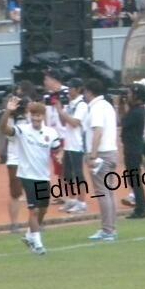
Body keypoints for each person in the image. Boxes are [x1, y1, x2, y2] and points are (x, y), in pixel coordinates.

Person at [0, 100, 61, 255]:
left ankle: (29, 236)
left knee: (43, 210)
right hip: (27, 175)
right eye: (33, 115)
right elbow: (3, 129)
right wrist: (8, 111)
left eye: (39, 115)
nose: (36, 118)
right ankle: (38, 244)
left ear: (43, 116)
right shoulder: (22, 130)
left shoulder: (51, 133)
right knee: (33, 211)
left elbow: (58, 149)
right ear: (29, 115)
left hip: (43, 177)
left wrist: (60, 155)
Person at [83, 79, 119, 241]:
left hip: (101, 154)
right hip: (111, 151)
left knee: (102, 192)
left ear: (89, 92)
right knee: (109, 191)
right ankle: (110, 228)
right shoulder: (108, 106)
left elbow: (98, 131)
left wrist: (93, 154)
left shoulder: (96, 108)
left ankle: (108, 230)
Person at [5, 80, 37, 232]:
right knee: (16, 193)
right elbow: (7, 132)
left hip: (26, 158)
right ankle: (14, 223)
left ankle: (32, 222)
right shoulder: (12, 120)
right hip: (17, 158)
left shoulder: (31, 119)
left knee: (29, 192)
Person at [55, 78, 89, 215]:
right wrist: (60, 110)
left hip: (78, 144)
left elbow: (75, 122)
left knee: (78, 174)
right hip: (69, 143)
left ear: (78, 89)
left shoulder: (82, 105)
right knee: (67, 174)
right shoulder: (70, 104)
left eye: (71, 88)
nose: (68, 91)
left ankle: (82, 202)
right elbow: (64, 123)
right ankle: (72, 199)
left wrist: (61, 111)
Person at [118, 84, 145, 219]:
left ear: (136, 96)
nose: (128, 96)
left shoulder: (137, 111)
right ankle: (140, 207)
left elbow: (123, 121)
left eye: (131, 94)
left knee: (135, 180)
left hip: (133, 149)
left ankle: (140, 209)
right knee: (133, 180)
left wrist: (121, 105)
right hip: (132, 148)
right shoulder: (137, 109)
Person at [42, 69, 68, 206]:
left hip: (65, 135)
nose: (44, 82)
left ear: (54, 79)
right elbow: (47, 117)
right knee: (58, 167)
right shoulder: (48, 96)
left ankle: (69, 196)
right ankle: (62, 194)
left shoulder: (66, 93)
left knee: (65, 167)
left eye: (46, 79)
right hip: (53, 136)